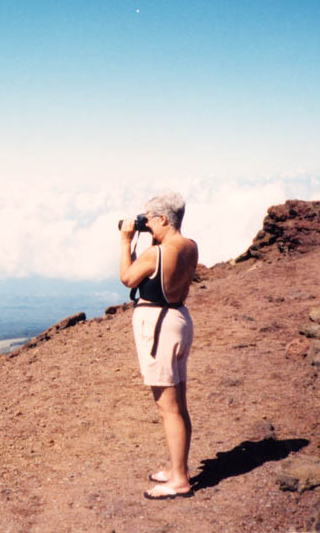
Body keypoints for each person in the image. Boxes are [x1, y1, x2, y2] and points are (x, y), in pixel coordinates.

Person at [119, 191, 198, 500]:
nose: (146, 223)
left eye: (149, 218)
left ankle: (179, 480)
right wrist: (151, 238)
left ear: (164, 219)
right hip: (178, 318)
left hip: (158, 327)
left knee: (168, 408)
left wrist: (126, 241)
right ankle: (179, 468)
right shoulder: (189, 246)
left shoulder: (155, 254)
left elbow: (128, 278)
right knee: (178, 403)